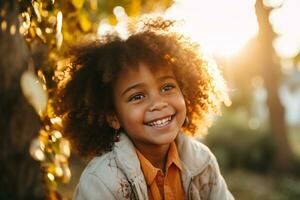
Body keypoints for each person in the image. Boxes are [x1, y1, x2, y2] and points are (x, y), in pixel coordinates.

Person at [55, 17, 234, 200]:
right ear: (113, 117)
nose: (158, 103)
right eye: (137, 96)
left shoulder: (202, 161)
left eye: (167, 87)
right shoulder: (101, 182)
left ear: (184, 91)